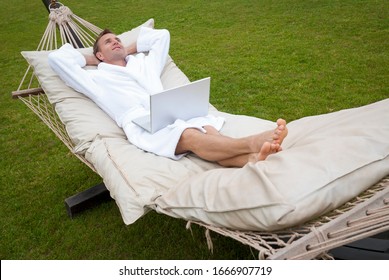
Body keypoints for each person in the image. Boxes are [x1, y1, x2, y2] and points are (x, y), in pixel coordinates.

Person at [48, 27, 288, 167]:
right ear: (99, 55)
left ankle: (255, 158)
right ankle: (252, 142)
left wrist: (125, 50)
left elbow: (161, 35)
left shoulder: (144, 63)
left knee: (208, 129)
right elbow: (56, 60)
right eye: (108, 43)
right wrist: (93, 60)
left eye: (117, 39)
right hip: (143, 123)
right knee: (189, 135)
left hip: (172, 109)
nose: (116, 42)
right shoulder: (95, 79)